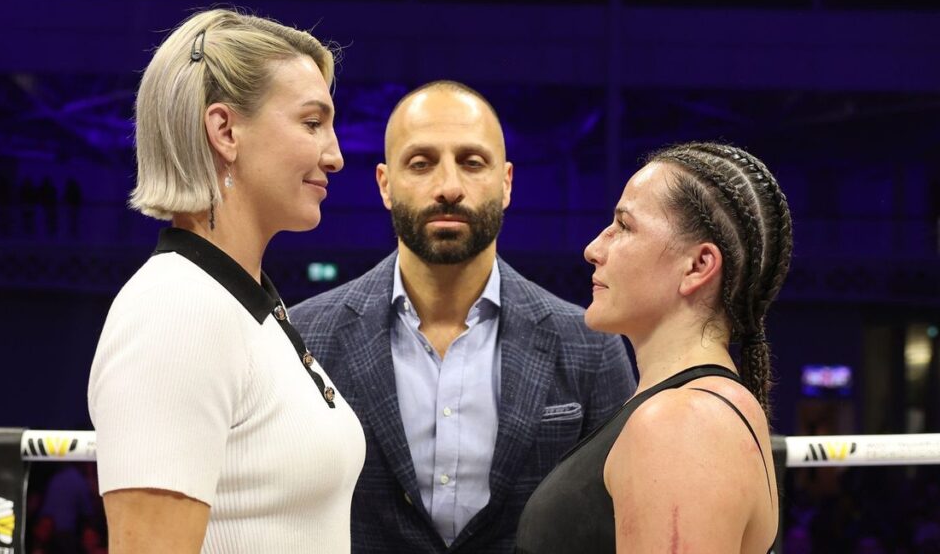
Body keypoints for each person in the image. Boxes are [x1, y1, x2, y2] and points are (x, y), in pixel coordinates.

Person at [289, 80, 636, 553]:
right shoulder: (304, 337)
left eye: (472, 163)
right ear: (385, 185)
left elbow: (616, 525)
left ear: (507, 183)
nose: (449, 187)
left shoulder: (589, 344)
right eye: (421, 163)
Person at [87, 8, 364, 553]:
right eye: (312, 123)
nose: (335, 155)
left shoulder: (236, 302)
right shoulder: (175, 310)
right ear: (225, 130)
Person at [516, 142, 793, 553]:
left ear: (698, 266)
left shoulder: (683, 423)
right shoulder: (696, 410)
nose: (593, 249)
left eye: (624, 227)